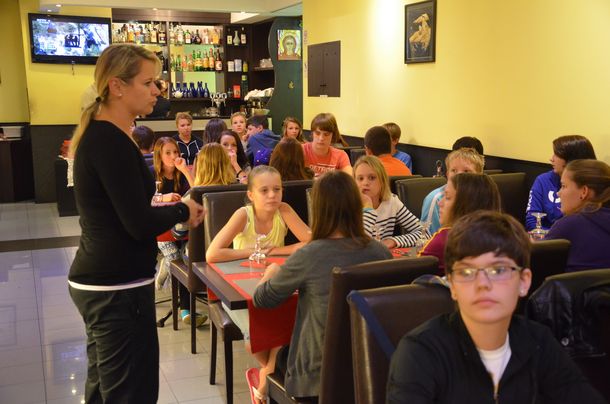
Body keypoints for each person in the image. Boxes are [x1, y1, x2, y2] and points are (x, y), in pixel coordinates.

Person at [67, 43, 204, 403]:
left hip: (110, 283)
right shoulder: (108, 141)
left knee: (105, 390)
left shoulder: (109, 136)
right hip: (115, 288)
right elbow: (137, 222)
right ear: (117, 86)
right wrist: (183, 210)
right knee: (130, 394)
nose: (157, 90)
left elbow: (124, 211)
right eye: (148, 82)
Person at [387, 211, 605, 403]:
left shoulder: (539, 343)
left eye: (498, 270)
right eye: (466, 272)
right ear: (452, 285)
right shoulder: (420, 352)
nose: (482, 284)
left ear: (524, 281)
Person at [253, 171, 392, 400]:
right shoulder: (381, 252)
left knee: (276, 354)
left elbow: (262, 300)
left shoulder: (309, 255)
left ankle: (263, 385)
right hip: (370, 369)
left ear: (318, 209)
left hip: (315, 376)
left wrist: (271, 273)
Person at [206, 166, 311, 403]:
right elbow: (212, 253)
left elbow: (310, 241)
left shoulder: (284, 210)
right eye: (264, 190)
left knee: (289, 323)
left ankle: (265, 377)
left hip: (272, 285)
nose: (272, 195)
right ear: (251, 194)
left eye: (277, 189)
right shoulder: (243, 215)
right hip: (238, 289)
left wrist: (275, 251)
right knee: (254, 338)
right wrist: (252, 251)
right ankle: (270, 375)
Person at [151, 137, 207, 326]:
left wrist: (185, 170)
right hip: (161, 231)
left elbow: (196, 192)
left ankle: (185, 308)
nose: (173, 156)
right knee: (175, 257)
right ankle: (185, 309)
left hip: (183, 229)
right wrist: (163, 198)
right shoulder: (151, 173)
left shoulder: (181, 173)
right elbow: (141, 201)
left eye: (175, 152)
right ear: (159, 155)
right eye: (168, 153)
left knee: (186, 260)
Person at [419, 173, 501, 273]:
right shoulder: (505, 238)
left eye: (447, 197)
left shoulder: (446, 239)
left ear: (467, 204)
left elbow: (414, 274)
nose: (440, 203)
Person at [545, 159, 610, 272]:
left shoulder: (568, 225)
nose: (558, 193)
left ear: (584, 191)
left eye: (564, 186)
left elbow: (535, 266)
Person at [526, 135, 597, 231]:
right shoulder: (543, 180)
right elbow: (532, 220)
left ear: (571, 159)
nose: (551, 159)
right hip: (549, 237)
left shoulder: (594, 185)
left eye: (556, 154)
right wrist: (551, 235)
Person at [354, 156, 422, 248]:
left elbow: (424, 232)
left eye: (372, 178)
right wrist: (368, 207)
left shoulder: (392, 202)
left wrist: (394, 241)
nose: (365, 183)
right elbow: (358, 244)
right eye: (360, 178)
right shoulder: (347, 206)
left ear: (382, 181)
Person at [421, 147, 485, 234]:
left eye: (466, 171)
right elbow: (428, 235)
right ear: (447, 174)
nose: (459, 176)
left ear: (479, 175)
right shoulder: (436, 199)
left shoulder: (483, 196)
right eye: (454, 170)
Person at [303, 113, 351, 177]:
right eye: (317, 133)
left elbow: (350, 178)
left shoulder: (341, 155)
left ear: (332, 136)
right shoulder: (300, 150)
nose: (321, 138)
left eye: (326, 134)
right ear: (312, 133)